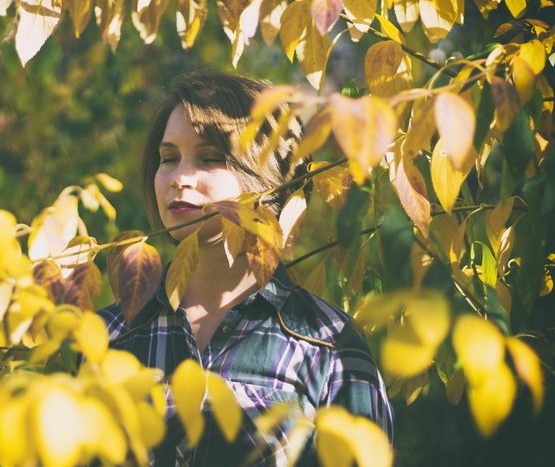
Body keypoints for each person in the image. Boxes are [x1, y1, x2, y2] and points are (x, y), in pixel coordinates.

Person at [97, 70, 393, 465]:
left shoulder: (329, 344)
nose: (180, 178)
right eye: (169, 158)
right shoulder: (109, 336)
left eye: (210, 158)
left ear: (268, 178)